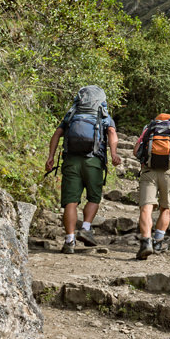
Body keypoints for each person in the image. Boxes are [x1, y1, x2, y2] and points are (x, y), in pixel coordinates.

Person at [44, 85, 122, 254]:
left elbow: (57, 134)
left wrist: (50, 157)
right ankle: (86, 228)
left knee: (70, 201)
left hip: (71, 161)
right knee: (94, 197)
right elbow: (112, 133)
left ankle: (69, 240)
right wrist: (114, 154)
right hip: (93, 161)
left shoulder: (72, 114)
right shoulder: (104, 114)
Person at [133, 112, 170, 259]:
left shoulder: (149, 127)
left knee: (146, 207)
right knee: (165, 208)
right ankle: (158, 242)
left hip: (149, 171)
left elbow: (136, 151)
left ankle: (146, 242)